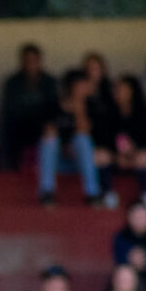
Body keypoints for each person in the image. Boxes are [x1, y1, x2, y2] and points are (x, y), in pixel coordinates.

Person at [38, 70, 103, 207]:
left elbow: (84, 131)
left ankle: (92, 193)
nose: (85, 89)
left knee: (82, 139)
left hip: (83, 162)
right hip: (57, 161)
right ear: (71, 86)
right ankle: (47, 191)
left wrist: (79, 107)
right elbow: (49, 131)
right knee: (49, 140)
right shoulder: (53, 104)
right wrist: (63, 148)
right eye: (81, 85)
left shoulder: (92, 105)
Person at [92, 76, 146, 208]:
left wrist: (133, 152)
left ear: (131, 92)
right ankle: (107, 193)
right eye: (116, 89)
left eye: (122, 89)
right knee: (99, 155)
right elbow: (102, 139)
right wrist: (117, 156)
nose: (117, 92)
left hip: (136, 157)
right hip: (115, 158)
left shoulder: (143, 112)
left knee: (145, 157)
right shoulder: (107, 111)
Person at [0, 43, 59, 171]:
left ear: (39, 62)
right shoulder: (13, 82)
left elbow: (53, 108)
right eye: (27, 61)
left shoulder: (49, 82)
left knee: (51, 127)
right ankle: (10, 164)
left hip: (42, 124)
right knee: (8, 125)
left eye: (34, 61)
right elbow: (10, 109)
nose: (30, 64)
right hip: (20, 124)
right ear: (22, 62)